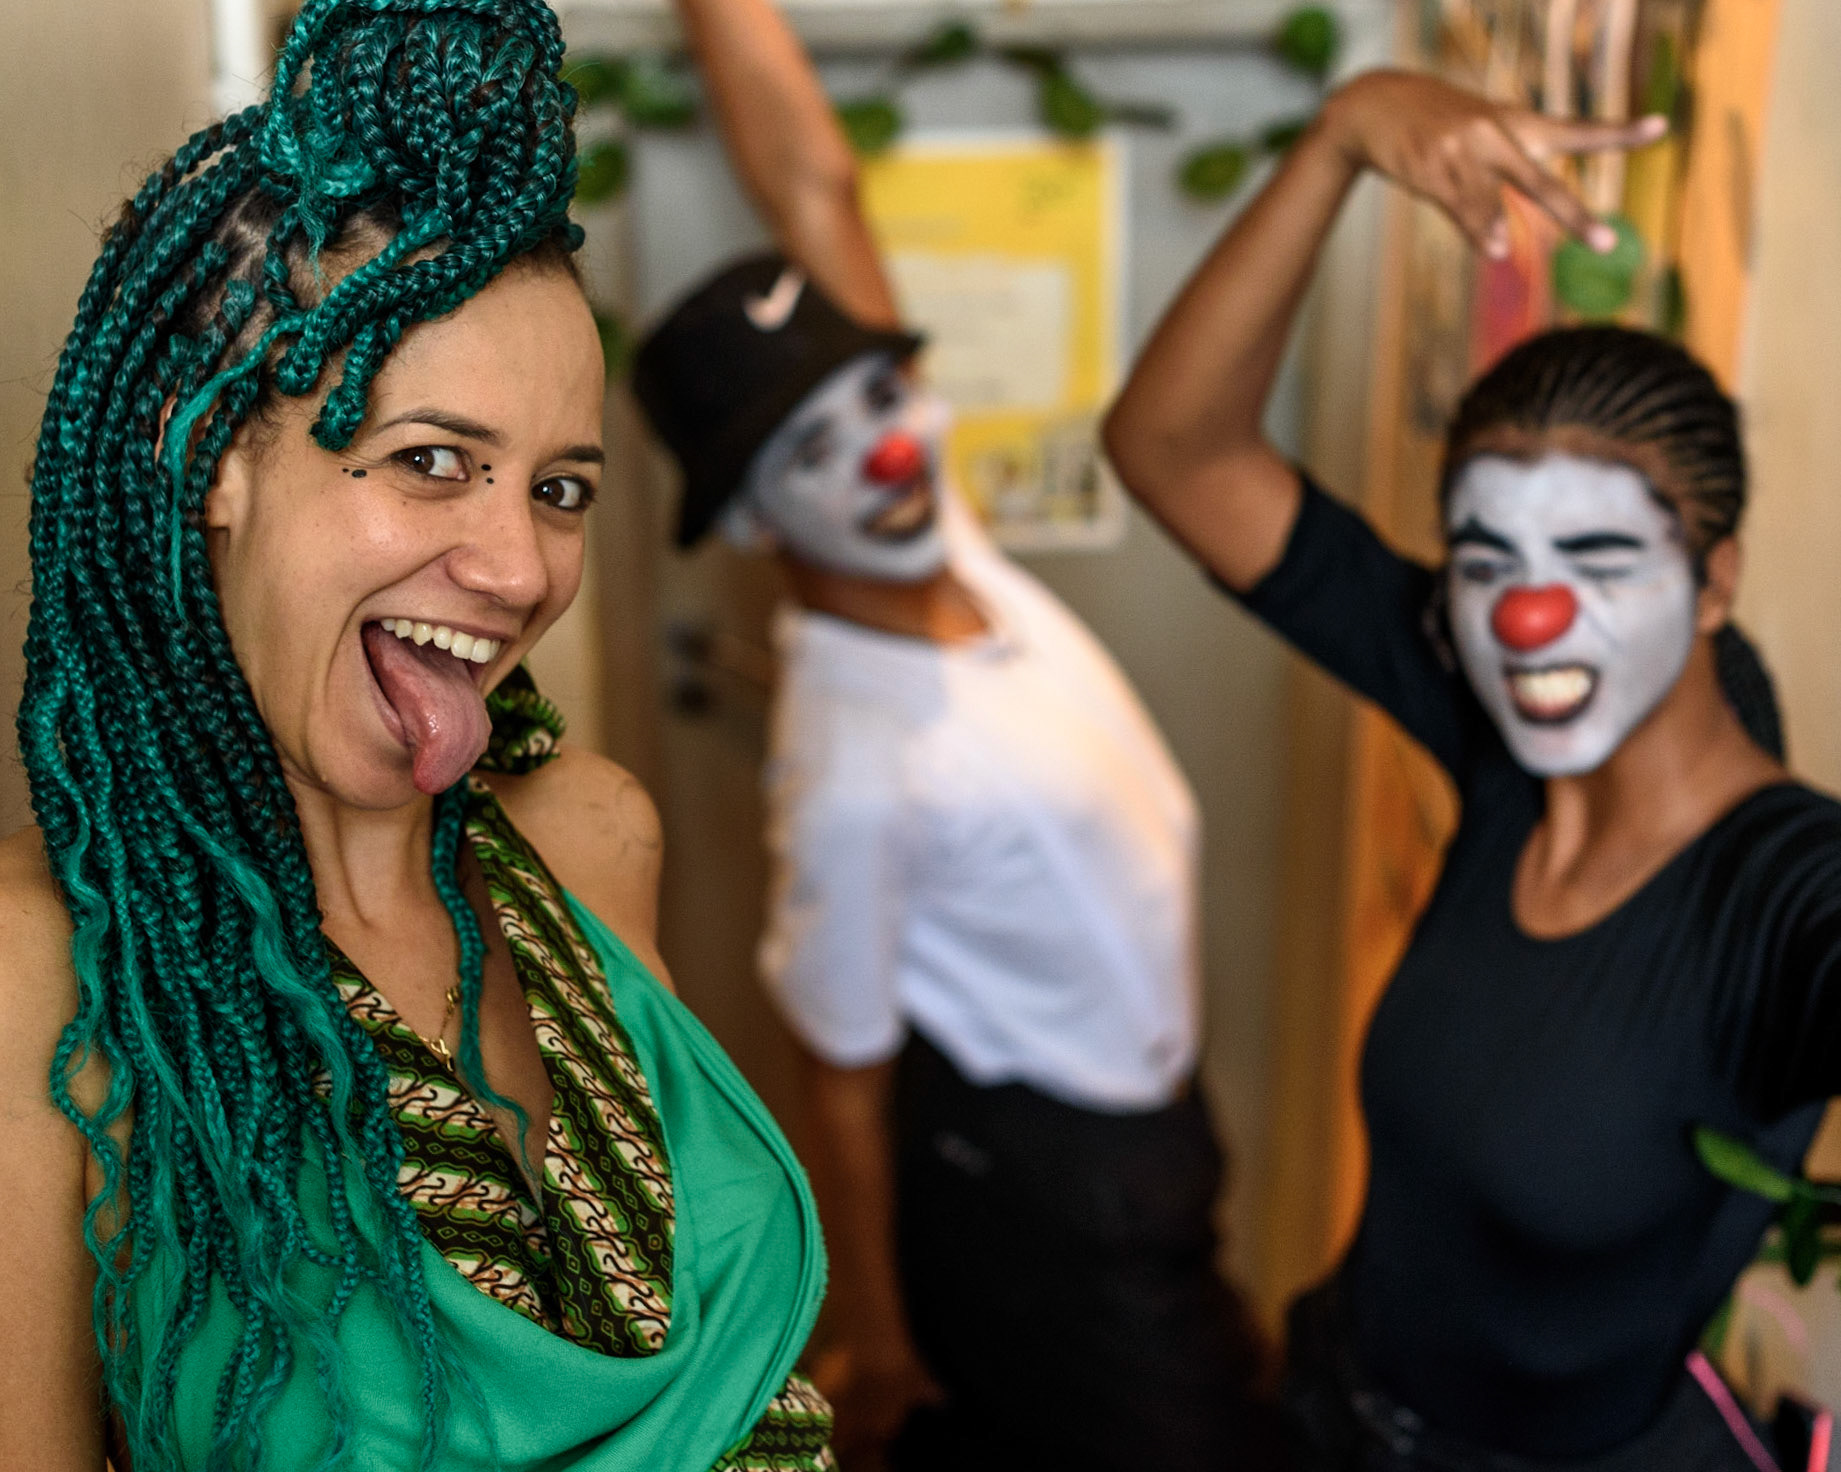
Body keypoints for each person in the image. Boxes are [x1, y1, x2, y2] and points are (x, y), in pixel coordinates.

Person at [0, 3, 835, 1468]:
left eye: (559, 490)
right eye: (432, 460)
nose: (517, 570)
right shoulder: (47, 975)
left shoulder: (590, 837)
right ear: (208, 454)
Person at [1103, 68, 1841, 1471]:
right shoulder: (1504, 726)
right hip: (1337, 1410)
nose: (1529, 618)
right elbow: (1173, 450)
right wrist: (1343, 132)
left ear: (1712, 582)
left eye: (1599, 560)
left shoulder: (1785, 895)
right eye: (1489, 560)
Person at [628, 2, 1276, 1469]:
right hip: (1042, 1197)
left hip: (1143, 1137)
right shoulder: (855, 767)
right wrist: (879, 1336)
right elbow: (842, 1077)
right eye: (814, 446)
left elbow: (816, 189)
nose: (886, 446)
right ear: (752, 523)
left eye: (883, 392)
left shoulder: (940, 543)